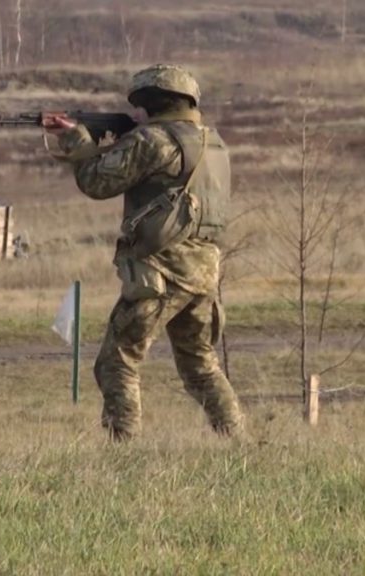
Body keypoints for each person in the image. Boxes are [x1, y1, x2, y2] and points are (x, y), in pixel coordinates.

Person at [44, 64, 244, 440]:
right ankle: (236, 439)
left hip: (161, 271)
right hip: (203, 270)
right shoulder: (212, 142)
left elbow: (97, 182)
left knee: (117, 361)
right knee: (200, 364)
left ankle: (125, 449)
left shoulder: (153, 140)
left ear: (151, 101)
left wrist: (77, 142)